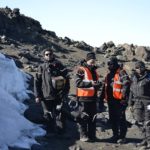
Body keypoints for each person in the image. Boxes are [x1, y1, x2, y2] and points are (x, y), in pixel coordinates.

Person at [34, 48, 70, 135]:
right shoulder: (41, 67)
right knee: (48, 114)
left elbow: (67, 81)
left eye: (50, 54)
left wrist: (64, 93)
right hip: (46, 95)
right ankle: (50, 133)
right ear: (44, 56)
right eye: (47, 54)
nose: (49, 56)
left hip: (59, 96)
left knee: (60, 114)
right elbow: (37, 82)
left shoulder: (60, 66)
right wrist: (37, 95)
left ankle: (61, 133)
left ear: (53, 54)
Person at [99, 57, 130, 144]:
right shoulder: (108, 75)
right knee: (113, 119)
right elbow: (104, 88)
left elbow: (126, 84)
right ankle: (115, 135)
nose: (110, 65)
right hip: (110, 101)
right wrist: (101, 99)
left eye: (112, 63)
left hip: (119, 101)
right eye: (108, 64)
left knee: (121, 119)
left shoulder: (121, 72)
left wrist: (124, 98)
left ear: (116, 63)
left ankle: (122, 137)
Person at [75, 52, 101, 142]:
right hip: (83, 98)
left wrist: (98, 85)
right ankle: (83, 136)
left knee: (93, 117)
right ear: (87, 60)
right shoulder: (81, 70)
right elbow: (77, 83)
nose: (93, 63)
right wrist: (90, 83)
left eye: (94, 61)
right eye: (91, 61)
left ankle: (92, 136)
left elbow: (95, 84)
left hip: (93, 98)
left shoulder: (94, 71)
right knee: (83, 117)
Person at [129, 61, 150, 149]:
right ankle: (144, 140)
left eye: (141, 67)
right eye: (137, 67)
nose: (139, 69)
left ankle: (149, 141)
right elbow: (131, 91)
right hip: (137, 102)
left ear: (144, 67)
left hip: (148, 103)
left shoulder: (149, 77)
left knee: (148, 122)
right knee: (139, 121)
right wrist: (130, 103)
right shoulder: (133, 77)